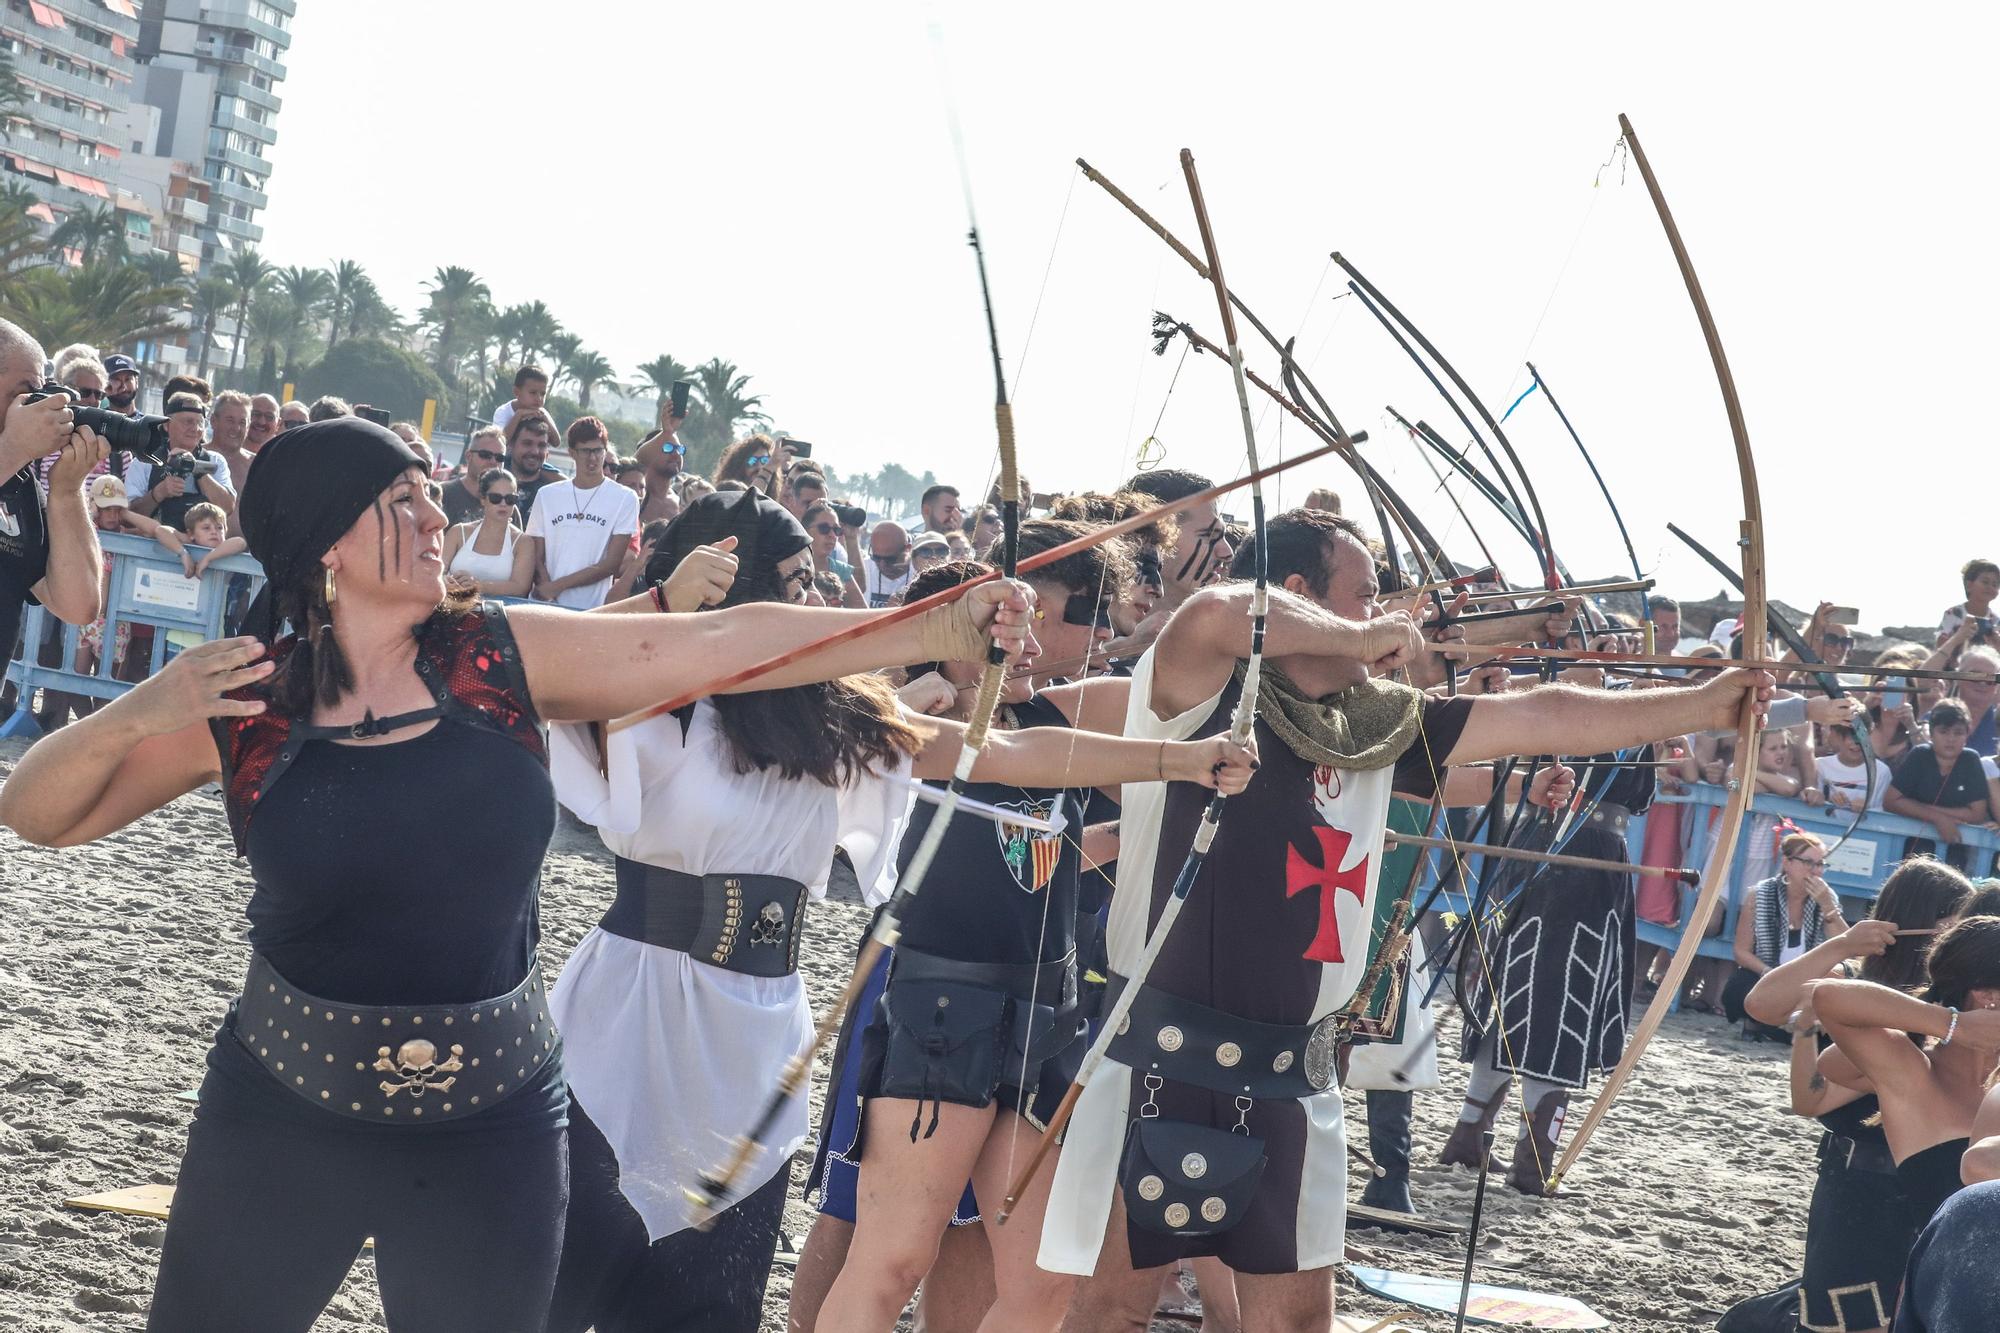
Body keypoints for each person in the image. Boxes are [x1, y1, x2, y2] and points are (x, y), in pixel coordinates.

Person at [0, 417, 1036, 1333]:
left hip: (488, 1124)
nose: (434, 515)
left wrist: (935, 626)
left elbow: (718, 642)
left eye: (428, 492)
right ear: (323, 541)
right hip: (280, 1106)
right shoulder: (249, 702)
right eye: (399, 500)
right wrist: (144, 709)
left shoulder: (494, 655)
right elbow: (38, 813)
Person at [1041, 506, 1772, 1332]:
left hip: (1291, 1073)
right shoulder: (1200, 685)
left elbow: (1542, 715)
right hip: (1163, 1056)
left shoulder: (1375, 720)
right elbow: (1218, 610)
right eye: (1365, 594)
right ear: (1296, 593)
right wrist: (1360, 641)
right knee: (1109, 1312)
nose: (1383, 611)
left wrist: (1704, 704)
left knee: (1292, 1326)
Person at [543, 501, 1179, 1333]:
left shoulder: (832, 711)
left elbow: (1006, 752)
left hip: (758, 1024)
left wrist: (1182, 761)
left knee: (706, 1301)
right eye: (799, 584)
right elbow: (553, 665)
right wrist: (661, 608)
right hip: (633, 1011)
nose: (815, 602)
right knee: (566, 1275)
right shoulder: (661, 692)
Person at [813, 531, 1256, 1333]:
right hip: (944, 1010)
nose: (1022, 647)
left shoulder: (1054, 713)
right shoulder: (913, 726)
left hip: (1044, 1018)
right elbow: (1009, 753)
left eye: (1023, 631)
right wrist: (914, 688)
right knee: (891, 1260)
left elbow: (1030, 846)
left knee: (1046, 1281)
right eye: (997, 634)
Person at [1741, 857, 1973, 1333]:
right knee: (1844, 1315)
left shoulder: (1959, 997)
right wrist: (1844, 942)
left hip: (1928, 1177)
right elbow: (1762, 1005)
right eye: (1951, 924)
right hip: (1856, 1180)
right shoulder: (1854, 979)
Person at [1808, 916, 2000, 1234]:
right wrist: (1954, 1024)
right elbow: (1829, 997)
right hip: (1950, 1276)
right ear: (1986, 996)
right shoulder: (1916, 1075)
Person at [0, 321, 105, 667]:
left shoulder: (19, 482)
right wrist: (13, 447)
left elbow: (78, 604)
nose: (36, 404)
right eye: (25, 391)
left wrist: (66, 492)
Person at [1721, 830, 1846, 1036]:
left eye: (1820, 864)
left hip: (1809, 982)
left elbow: (1845, 945)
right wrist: (1769, 974)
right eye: (1808, 863)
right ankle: (1774, 1025)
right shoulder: (1760, 894)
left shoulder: (1826, 897)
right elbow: (1741, 952)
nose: (1815, 871)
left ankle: (1772, 1027)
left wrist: (1828, 907)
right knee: (1738, 987)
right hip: (1768, 977)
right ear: (1787, 863)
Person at [526, 417, 641, 610]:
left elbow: (612, 563)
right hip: (544, 606)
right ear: (572, 453)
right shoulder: (547, 495)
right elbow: (536, 555)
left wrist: (557, 586)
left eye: (598, 450)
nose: (593, 458)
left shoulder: (625, 498)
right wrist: (548, 593)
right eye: (585, 451)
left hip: (592, 609)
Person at [1886, 700, 1990, 871]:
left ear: (1967, 734)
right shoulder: (1919, 755)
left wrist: (1919, 809)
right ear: (1932, 734)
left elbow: (1978, 814)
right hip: (1907, 851)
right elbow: (1890, 801)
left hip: (1954, 854)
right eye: (1943, 732)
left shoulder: (1971, 759)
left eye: (1958, 733)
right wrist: (1939, 819)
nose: (1951, 739)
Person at [125, 394, 236, 530]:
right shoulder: (144, 462)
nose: (195, 428)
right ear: (166, 425)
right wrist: (158, 493)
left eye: (200, 423)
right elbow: (127, 518)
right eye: (188, 422)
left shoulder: (215, 461)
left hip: (204, 550)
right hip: (152, 547)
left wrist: (199, 472)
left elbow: (228, 507)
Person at [441, 467, 535, 598]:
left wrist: (477, 585)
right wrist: (446, 582)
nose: (503, 504)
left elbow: (520, 588)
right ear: (483, 499)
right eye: (496, 498)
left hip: (498, 616)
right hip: (451, 608)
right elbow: (437, 572)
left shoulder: (523, 542)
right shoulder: (458, 532)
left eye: (510, 499)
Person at [440, 424, 507, 527]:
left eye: (499, 457)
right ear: (468, 456)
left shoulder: (507, 502)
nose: (493, 461)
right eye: (485, 455)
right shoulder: (443, 494)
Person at [1820, 719, 1893, 812]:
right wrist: (1828, 800)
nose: (1856, 743)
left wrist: (1867, 807)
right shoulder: (1820, 766)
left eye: (1862, 736)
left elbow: (1884, 811)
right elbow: (1813, 803)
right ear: (1836, 736)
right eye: (1850, 736)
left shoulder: (1882, 771)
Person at [803, 501, 865, 609]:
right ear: (804, 530)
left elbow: (863, 613)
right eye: (824, 528)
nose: (832, 535)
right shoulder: (791, 564)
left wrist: (852, 538)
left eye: (837, 530)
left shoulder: (841, 570)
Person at [207, 391, 255, 531]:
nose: (236, 428)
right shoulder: (195, 457)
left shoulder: (257, 465)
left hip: (244, 550)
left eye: (242, 422)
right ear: (213, 421)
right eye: (230, 420)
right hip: (199, 549)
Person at [634, 404, 690, 524]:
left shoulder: (680, 501)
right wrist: (667, 432)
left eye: (679, 449)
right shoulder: (636, 493)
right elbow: (637, 459)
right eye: (668, 448)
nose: (676, 455)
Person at [506, 408, 565, 518]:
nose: (535, 451)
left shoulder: (556, 492)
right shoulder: (491, 484)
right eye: (527, 443)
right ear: (511, 446)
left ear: (547, 453)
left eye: (542, 445)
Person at [1937, 559, 1999, 647]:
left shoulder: (1995, 620)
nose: (1990, 587)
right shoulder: (1953, 614)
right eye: (1985, 582)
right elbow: (1940, 644)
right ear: (1969, 585)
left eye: (1995, 584)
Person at [864, 521, 914, 608]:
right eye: (876, 558)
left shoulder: (919, 572)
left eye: (890, 559)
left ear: (907, 549)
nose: (882, 565)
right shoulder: (863, 569)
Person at [715, 435, 780, 498]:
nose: (759, 467)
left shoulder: (777, 502)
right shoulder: (725, 497)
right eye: (752, 461)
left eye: (764, 460)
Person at [492, 364, 550, 433]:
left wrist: (544, 418)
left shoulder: (541, 412)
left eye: (543, 394)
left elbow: (556, 441)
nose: (539, 398)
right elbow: (500, 441)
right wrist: (519, 414)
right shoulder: (503, 412)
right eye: (533, 392)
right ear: (517, 392)